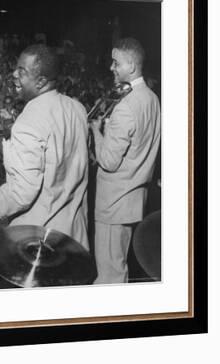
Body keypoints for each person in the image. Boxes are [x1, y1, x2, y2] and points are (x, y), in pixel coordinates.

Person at [0, 45, 90, 250]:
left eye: (22, 71)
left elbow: (22, 193)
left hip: (38, 239)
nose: (13, 74)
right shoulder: (78, 108)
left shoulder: (28, 121)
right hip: (73, 234)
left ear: (41, 81)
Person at [89, 37, 160, 284]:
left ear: (130, 65)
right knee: (120, 267)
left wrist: (97, 131)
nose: (111, 67)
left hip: (113, 203)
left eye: (115, 62)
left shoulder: (126, 106)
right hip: (134, 199)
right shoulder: (152, 98)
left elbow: (108, 161)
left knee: (110, 275)